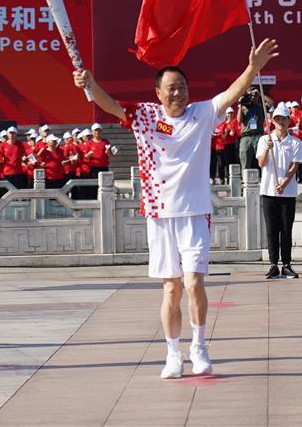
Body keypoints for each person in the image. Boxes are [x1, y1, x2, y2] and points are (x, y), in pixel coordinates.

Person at [73, 39, 278, 380]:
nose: (177, 93)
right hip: (159, 213)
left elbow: (230, 94)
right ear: (158, 93)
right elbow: (110, 105)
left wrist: (253, 68)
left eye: (182, 87)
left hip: (195, 212)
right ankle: (172, 353)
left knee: (194, 282)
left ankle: (199, 347)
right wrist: (91, 85)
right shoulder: (145, 116)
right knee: (171, 288)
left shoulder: (201, 114)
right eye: (170, 88)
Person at [258, 103, 302, 279]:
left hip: (288, 192)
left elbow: (294, 166)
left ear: (288, 121)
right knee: (271, 230)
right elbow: (261, 164)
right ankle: (273, 264)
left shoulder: (295, 142)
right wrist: (267, 150)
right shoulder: (265, 140)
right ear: (272, 121)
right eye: (277, 119)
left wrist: (284, 183)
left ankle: (286, 264)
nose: (280, 122)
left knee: (286, 229)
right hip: (268, 191)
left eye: (283, 119)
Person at [237, 88, 268, 170]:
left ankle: (265, 178)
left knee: (262, 158)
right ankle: (244, 180)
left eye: (255, 96)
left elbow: (271, 103)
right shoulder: (244, 107)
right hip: (246, 136)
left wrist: (260, 93)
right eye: (250, 95)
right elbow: (239, 120)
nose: (253, 97)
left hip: (258, 135)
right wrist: (240, 105)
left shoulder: (261, 107)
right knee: (245, 159)